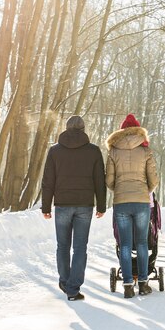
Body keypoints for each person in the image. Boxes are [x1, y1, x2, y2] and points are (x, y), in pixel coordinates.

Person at [41, 115, 106, 301]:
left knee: (62, 245)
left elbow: (48, 181)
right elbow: (99, 180)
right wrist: (101, 205)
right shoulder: (93, 151)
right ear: (83, 129)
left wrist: (46, 206)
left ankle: (64, 281)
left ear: (66, 128)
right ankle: (73, 288)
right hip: (84, 206)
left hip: (62, 205)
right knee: (79, 247)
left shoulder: (55, 151)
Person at [105, 113, 159, 298]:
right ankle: (143, 283)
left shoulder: (113, 150)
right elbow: (153, 180)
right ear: (137, 131)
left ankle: (128, 285)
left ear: (121, 131)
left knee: (125, 244)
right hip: (142, 201)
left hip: (121, 202)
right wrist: (145, 190)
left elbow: (109, 180)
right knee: (142, 243)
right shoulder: (145, 151)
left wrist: (119, 189)